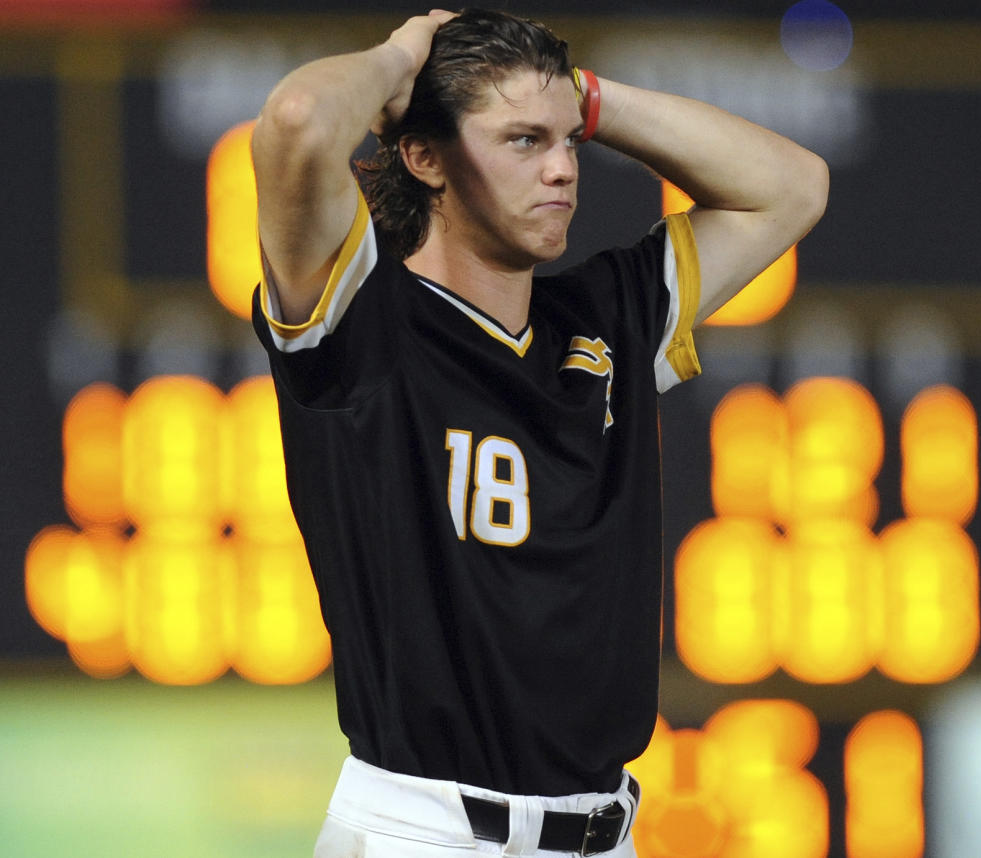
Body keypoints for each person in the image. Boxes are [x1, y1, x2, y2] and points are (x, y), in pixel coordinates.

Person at [250, 7, 828, 857]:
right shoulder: (361, 322)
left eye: (571, 144)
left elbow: (793, 186)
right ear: (424, 156)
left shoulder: (608, 318)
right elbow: (298, 121)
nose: (562, 169)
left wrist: (583, 99)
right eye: (523, 141)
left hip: (605, 832)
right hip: (426, 831)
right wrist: (407, 53)